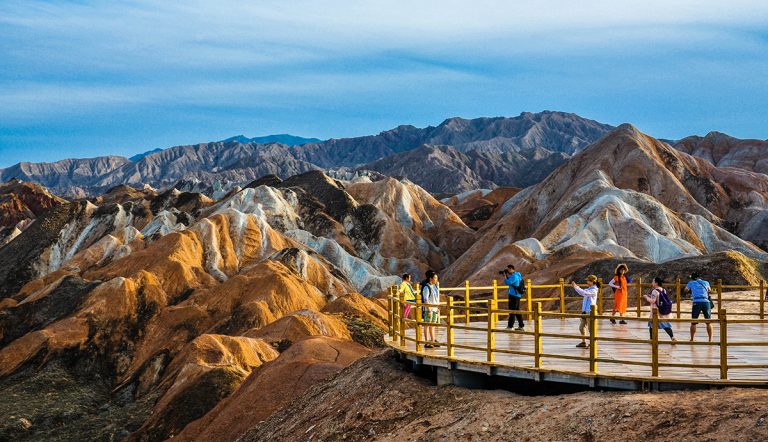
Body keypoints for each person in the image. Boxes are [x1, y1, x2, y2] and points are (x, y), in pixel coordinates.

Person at [643, 277, 676, 343]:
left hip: (655, 311)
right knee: (666, 325)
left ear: (656, 283)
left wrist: (646, 297)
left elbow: (653, 301)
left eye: (653, 281)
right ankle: (672, 337)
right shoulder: (663, 290)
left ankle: (652, 339)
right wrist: (651, 296)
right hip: (662, 310)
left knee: (651, 325)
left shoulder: (654, 291)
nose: (652, 282)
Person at [572, 275, 600, 348]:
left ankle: (592, 343)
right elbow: (582, 293)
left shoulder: (594, 290)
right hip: (584, 311)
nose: (587, 282)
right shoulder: (589, 289)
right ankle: (583, 342)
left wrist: (576, 287)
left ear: (592, 281)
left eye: (588, 281)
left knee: (591, 329)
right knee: (581, 327)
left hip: (590, 311)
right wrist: (576, 287)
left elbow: (584, 293)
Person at [685, 272, 713, 342]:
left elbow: (686, 290)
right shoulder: (706, 282)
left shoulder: (691, 283)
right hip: (706, 302)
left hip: (696, 302)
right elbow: (709, 290)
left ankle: (692, 339)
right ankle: (710, 339)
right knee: (708, 321)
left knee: (694, 321)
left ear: (692, 278)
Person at [421, 270, 441, 349]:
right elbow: (426, 299)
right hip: (429, 310)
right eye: (435, 278)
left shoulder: (435, 286)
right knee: (427, 325)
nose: (436, 280)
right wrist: (429, 310)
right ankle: (426, 342)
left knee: (432, 325)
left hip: (435, 309)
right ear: (430, 278)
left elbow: (436, 297)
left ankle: (432, 340)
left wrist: (438, 307)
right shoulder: (426, 287)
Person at [503, 264, 525, 330]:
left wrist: (505, 277)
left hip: (513, 295)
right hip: (516, 295)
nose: (508, 271)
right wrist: (507, 276)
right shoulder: (517, 275)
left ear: (511, 269)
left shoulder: (514, 276)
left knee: (512, 310)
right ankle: (521, 326)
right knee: (517, 311)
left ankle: (510, 326)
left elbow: (508, 282)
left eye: (508, 269)